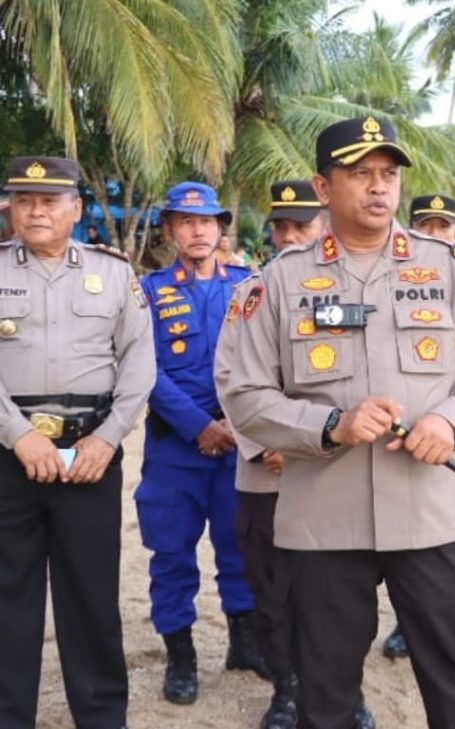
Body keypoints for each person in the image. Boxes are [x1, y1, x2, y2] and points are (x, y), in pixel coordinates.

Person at [219, 116, 455, 729]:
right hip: (324, 521)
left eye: (388, 175)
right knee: (323, 694)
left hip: (431, 514)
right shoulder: (277, 282)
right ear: (322, 189)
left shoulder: (445, 268)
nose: (380, 188)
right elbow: (244, 394)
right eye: (360, 175)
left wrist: (451, 424)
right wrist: (330, 424)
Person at [0, 156, 156, 729]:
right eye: (23, 200)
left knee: (91, 597)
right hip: (9, 457)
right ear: (11, 208)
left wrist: (109, 439)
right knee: (7, 597)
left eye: (47, 202)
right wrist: (18, 437)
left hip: (90, 456)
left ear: (75, 210)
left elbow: (140, 366)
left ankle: (100, 716)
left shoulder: (113, 273)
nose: (35, 211)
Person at [216, 180, 377, 729]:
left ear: (324, 225)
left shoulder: (358, 292)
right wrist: (266, 448)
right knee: (272, 590)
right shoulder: (252, 293)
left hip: (336, 473)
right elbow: (228, 378)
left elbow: (365, 381)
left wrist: (325, 438)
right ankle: (286, 688)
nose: (287, 236)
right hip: (267, 474)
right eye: (279, 226)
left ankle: (344, 693)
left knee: (340, 598)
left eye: (300, 226)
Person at [136, 181, 269, 706]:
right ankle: (181, 657)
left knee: (241, 549)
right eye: (186, 222)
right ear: (169, 229)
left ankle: (244, 645)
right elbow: (142, 368)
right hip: (176, 449)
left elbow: (264, 363)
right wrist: (198, 426)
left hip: (240, 444)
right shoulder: (146, 291)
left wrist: (234, 426)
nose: (197, 231)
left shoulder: (249, 285)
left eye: (207, 222)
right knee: (170, 554)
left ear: (220, 229)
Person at [381, 192, 455, 662]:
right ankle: (403, 624)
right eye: (424, 226)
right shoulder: (384, 280)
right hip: (395, 441)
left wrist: (453, 425)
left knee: (450, 542)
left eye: (442, 227)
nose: (433, 235)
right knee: (401, 544)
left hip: (452, 440)